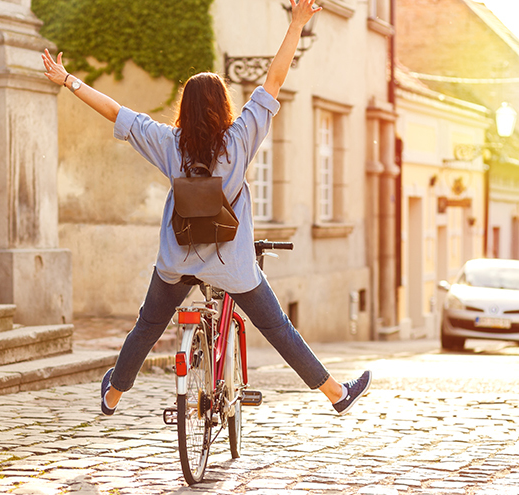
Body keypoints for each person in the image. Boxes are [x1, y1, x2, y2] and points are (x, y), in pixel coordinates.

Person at [41, 0, 371, 417]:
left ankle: (112, 396)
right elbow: (274, 78)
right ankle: (335, 393)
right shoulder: (238, 141)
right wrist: (297, 23)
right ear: (222, 105)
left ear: (187, 106)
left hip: (176, 261)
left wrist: (67, 79)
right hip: (232, 266)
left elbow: (115, 110)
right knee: (277, 328)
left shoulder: (167, 143)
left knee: (147, 326)